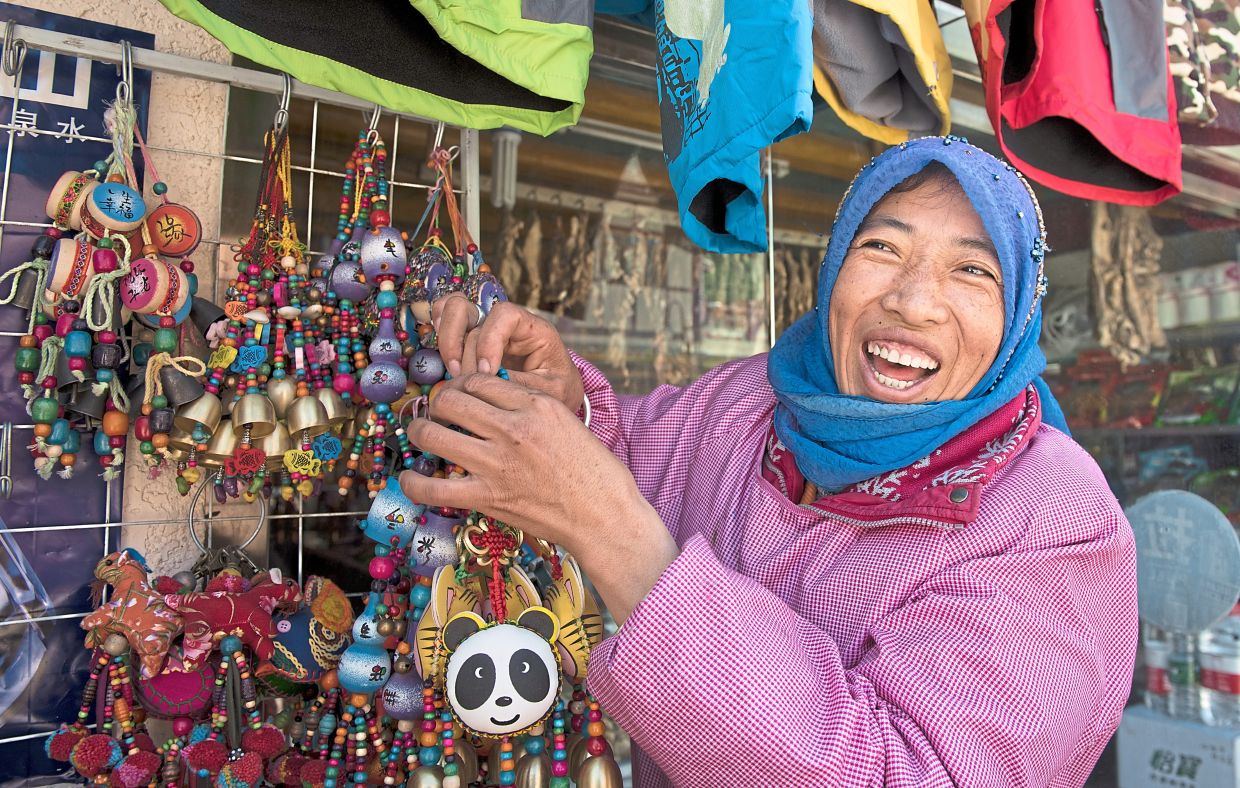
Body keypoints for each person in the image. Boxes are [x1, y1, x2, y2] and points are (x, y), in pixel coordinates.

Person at [400, 136, 1138, 787]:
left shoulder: (1054, 518)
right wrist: (567, 406)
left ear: (1017, 315)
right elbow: (640, 460)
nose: (914, 303)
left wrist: (620, 542)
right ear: (833, 265)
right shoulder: (757, 399)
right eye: (881, 248)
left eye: (972, 272)